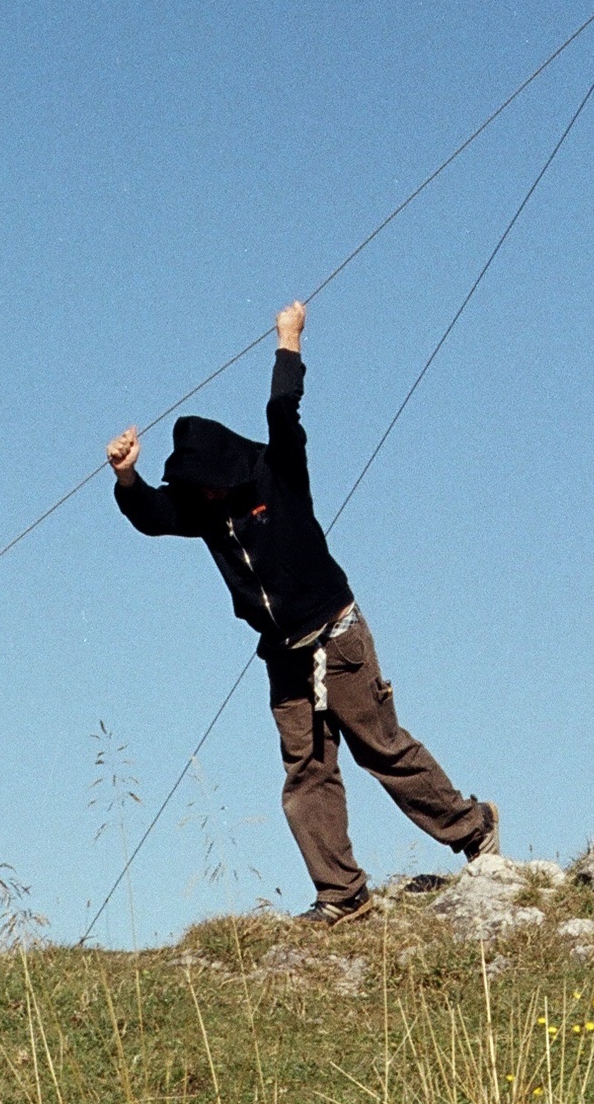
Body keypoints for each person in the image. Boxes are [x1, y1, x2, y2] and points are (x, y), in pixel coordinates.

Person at [107, 301, 496, 921]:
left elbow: (281, 410)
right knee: (306, 776)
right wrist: (129, 478)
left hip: (338, 639)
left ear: (230, 466)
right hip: (284, 656)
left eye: (211, 481)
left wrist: (289, 341)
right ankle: (343, 895)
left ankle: (474, 830)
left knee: (382, 749)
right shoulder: (200, 509)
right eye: (195, 486)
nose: (205, 493)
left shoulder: (276, 469)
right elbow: (153, 517)